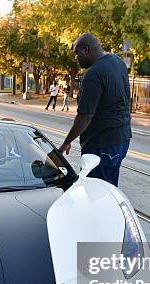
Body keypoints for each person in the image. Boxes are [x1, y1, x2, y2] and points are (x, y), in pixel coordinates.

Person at [58, 33, 132, 187]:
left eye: (77, 54)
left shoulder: (93, 74)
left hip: (102, 144)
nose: (76, 59)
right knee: (109, 187)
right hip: (122, 138)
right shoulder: (117, 62)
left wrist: (67, 141)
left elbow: (85, 115)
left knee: (94, 190)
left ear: (86, 50)